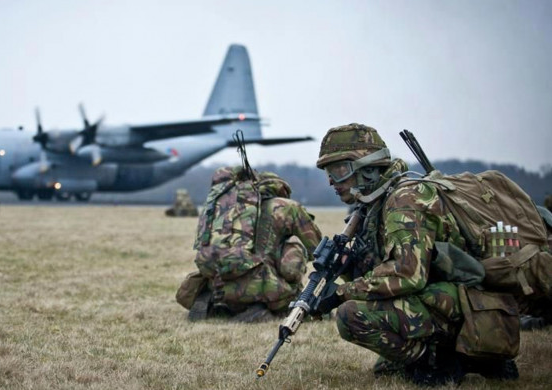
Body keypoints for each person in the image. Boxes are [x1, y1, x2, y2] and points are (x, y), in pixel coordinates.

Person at [314, 123, 518, 386]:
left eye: (339, 170)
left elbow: (408, 275)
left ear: (367, 168)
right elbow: (383, 269)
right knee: (385, 361)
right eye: (328, 173)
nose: (332, 181)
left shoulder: (405, 200)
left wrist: (340, 295)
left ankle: (440, 363)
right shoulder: (374, 204)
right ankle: (450, 354)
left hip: (474, 307)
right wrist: (346, 269)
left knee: (350, 315)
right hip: (450, 300)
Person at [176, 167, 322, 323]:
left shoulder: (227, 208)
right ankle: (260, 308)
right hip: (264, 287)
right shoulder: (286, 207)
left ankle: (215, 302)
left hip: (216, 284)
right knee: (294, 248)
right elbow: (317, 249)